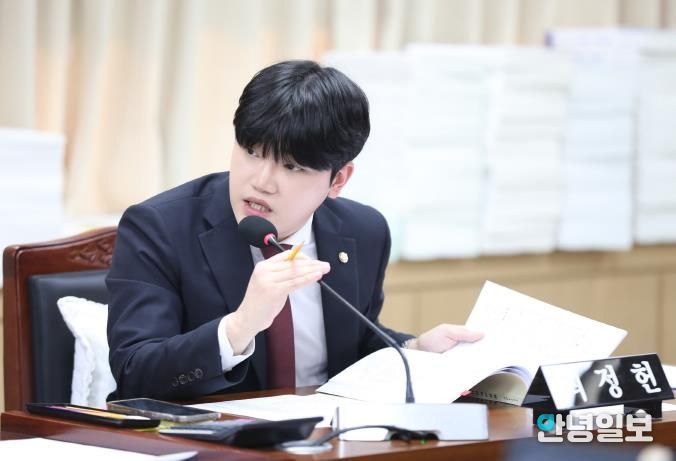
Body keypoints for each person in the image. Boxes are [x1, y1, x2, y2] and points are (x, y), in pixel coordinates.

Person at [106, 60, 482, 400]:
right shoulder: (160, 227)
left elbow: (355, 344)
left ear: (338, 179)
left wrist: (415, 351)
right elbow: (135, 374)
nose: (262, 181)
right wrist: (239, 327)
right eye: (252, 152)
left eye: (291, 167)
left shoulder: (363, 231)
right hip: (208, 439)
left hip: (330, 437)